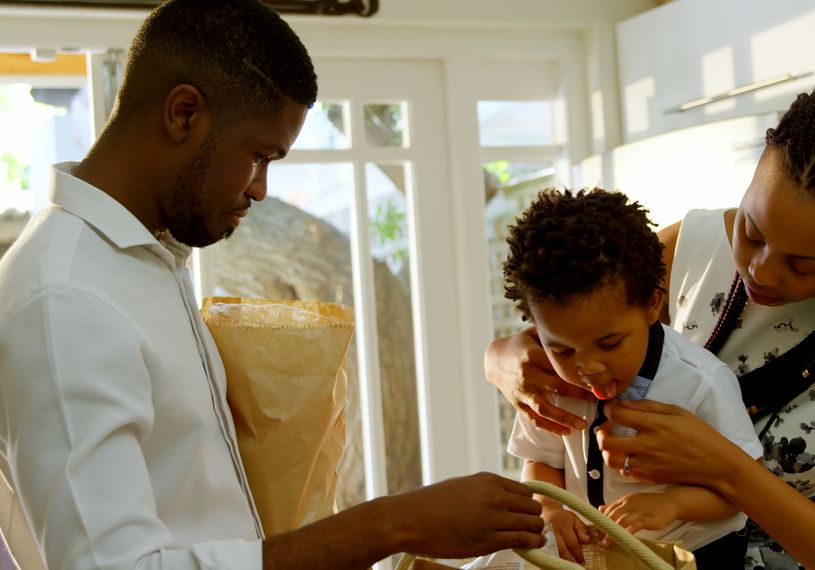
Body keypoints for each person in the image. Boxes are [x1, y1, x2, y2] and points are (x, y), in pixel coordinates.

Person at [0, 1, 544, 568]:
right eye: (259, 156)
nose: (261, 189)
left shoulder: (144, 260)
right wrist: (393, 523)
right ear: (184, 113)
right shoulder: (65, 298)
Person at [485, 85, 815, 569]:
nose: (762, 271)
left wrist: (730, 472)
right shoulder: (693, 244)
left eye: (802, 265)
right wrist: (501, 357)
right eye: (752, 231)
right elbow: (572, 312)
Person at [501, 189, 763, 567]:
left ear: (652, 304)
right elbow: (542, 462)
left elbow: (746, 489)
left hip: (699, 555)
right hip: (604, 559)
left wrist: (671, 504)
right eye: (562, 350)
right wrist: (547, 506)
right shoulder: (549, 384)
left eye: (609, 343)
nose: (587, 367)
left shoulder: (701, 382)